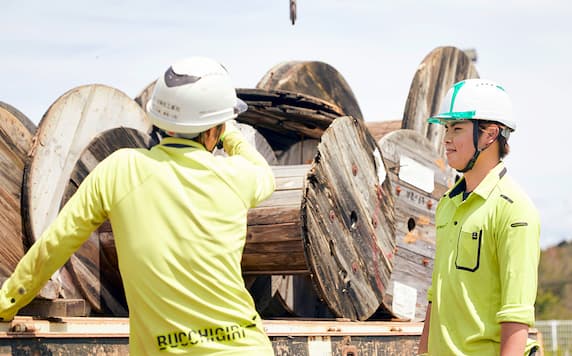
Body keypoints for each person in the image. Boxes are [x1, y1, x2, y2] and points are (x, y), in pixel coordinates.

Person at [0, 57, 276, 355]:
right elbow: (262, 171)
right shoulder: (236, 176)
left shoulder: (119, 170)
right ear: (213, 132)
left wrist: (7, 302)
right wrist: (230, 134)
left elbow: (56, 243)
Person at [418, 79, 541, 355]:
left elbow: (516, 312)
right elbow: (434, 297)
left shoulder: (515, 209)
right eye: (446, 128)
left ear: (490, 135)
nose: (446, 138)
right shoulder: (447, 205)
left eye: (457, 128)